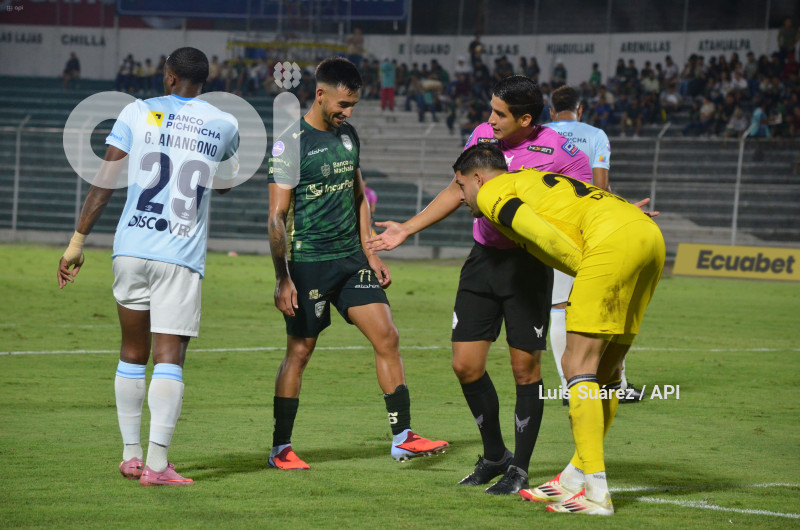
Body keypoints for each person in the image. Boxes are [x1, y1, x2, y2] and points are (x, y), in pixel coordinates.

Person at [369, 76, 592, 495]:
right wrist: (407, 230)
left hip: (528, 267)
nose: (489, 120)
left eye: (500, 114)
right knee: (465, 365)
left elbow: (587, 204)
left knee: (524, 368)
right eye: (490, 110)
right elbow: (457, 190)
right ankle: (495, 456)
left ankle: (520, 469)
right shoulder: (482, 137)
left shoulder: (563, 154)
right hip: (482, 262)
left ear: (526, 119)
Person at [57, 47, 240, 486]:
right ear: (203, 81)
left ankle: (131, 456)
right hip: (178, 256)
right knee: (170, 357)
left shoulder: (136, 112)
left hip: (130, 248)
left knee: (132, 352)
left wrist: (76, 243)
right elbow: (229, 183)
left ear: (170, 77)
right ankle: (157, 468)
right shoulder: (224, 122)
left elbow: (103, 185)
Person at [452, 144, 665, 515]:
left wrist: (586, 272)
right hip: (647, 235)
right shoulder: (532, 178)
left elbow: (541, 235)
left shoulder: (491, 192)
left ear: (476, 177)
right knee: (608, 370)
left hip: (608, 246)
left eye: (459, 185)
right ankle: (573, 476)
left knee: (576, 363)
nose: (461, 196)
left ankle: (596, 495)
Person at [267, 57, 448, 470]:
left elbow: (358, 192)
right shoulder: (290, 143)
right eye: (343, 104)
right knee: (300, 351)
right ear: (320, 94)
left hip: (351, 260)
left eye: (352, 105)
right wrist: (283, 278)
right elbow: (276, 217)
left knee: (388, 337)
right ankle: (281, 448)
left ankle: (403, 438)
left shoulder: (347, 135)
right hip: (309, 262)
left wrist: (370, 251)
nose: (347, 113)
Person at [544, 85, 642, 404]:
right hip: (592, 228)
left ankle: (566, 384)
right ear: (580, 109)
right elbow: (600, 186)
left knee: (559, 306)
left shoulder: (540, 133)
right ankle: (616, 383)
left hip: (551, 228)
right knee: (606, 303)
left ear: (550, 111)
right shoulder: (596, 134)